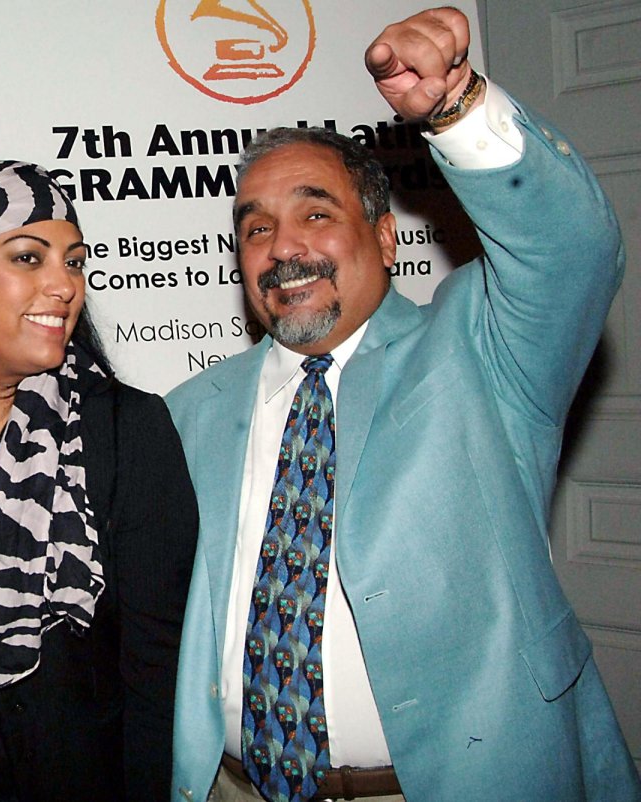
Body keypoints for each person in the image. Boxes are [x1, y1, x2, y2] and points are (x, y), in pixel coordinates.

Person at [167, 7, 641, 802]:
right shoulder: (190, 411)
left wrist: (456, 109)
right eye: (256, 229)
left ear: (386, 239)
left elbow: (571, 250)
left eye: (316, 214)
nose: (283, 248)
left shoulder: (481, 350)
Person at [0, 160, 198, 802]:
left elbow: (155, 678)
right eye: (28, 258)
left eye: (74, 262)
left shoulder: (124, 431)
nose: (63, 285)